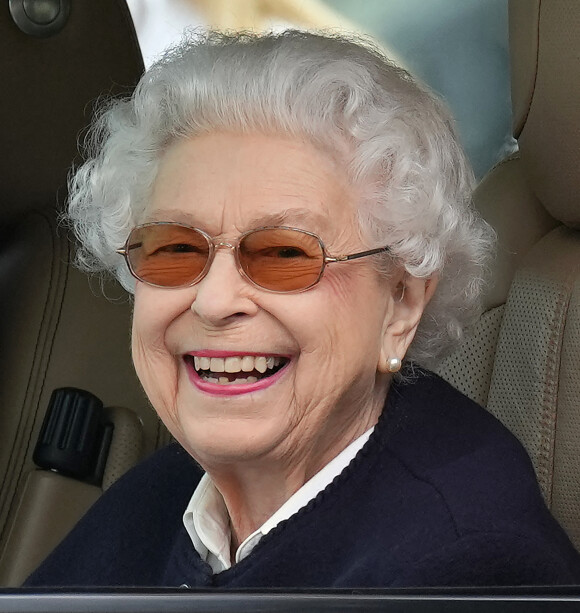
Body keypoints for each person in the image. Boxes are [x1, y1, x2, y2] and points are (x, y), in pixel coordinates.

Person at [26, 30, 580, 588]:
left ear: (401, 303)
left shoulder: (465, 574)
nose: (215, 301)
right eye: (176, 249)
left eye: (286, 253)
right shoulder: (168, 492)